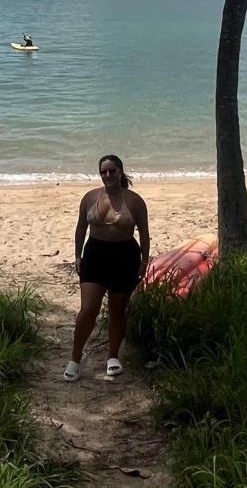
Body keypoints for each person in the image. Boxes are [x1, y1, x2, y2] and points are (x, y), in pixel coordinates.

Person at [63, 154, 150, 382]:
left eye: (112, 171)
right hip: (95, 255)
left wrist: (144, 262)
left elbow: (144, 233)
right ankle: (75, 358)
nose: (108, 175)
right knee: (88, 309)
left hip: (125, 256)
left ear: (120, 172)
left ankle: (113, 356)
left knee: (117, 310)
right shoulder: (90, 197)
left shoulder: (135, 201)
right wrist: (78, 256)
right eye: (104, 171)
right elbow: (81, 228)